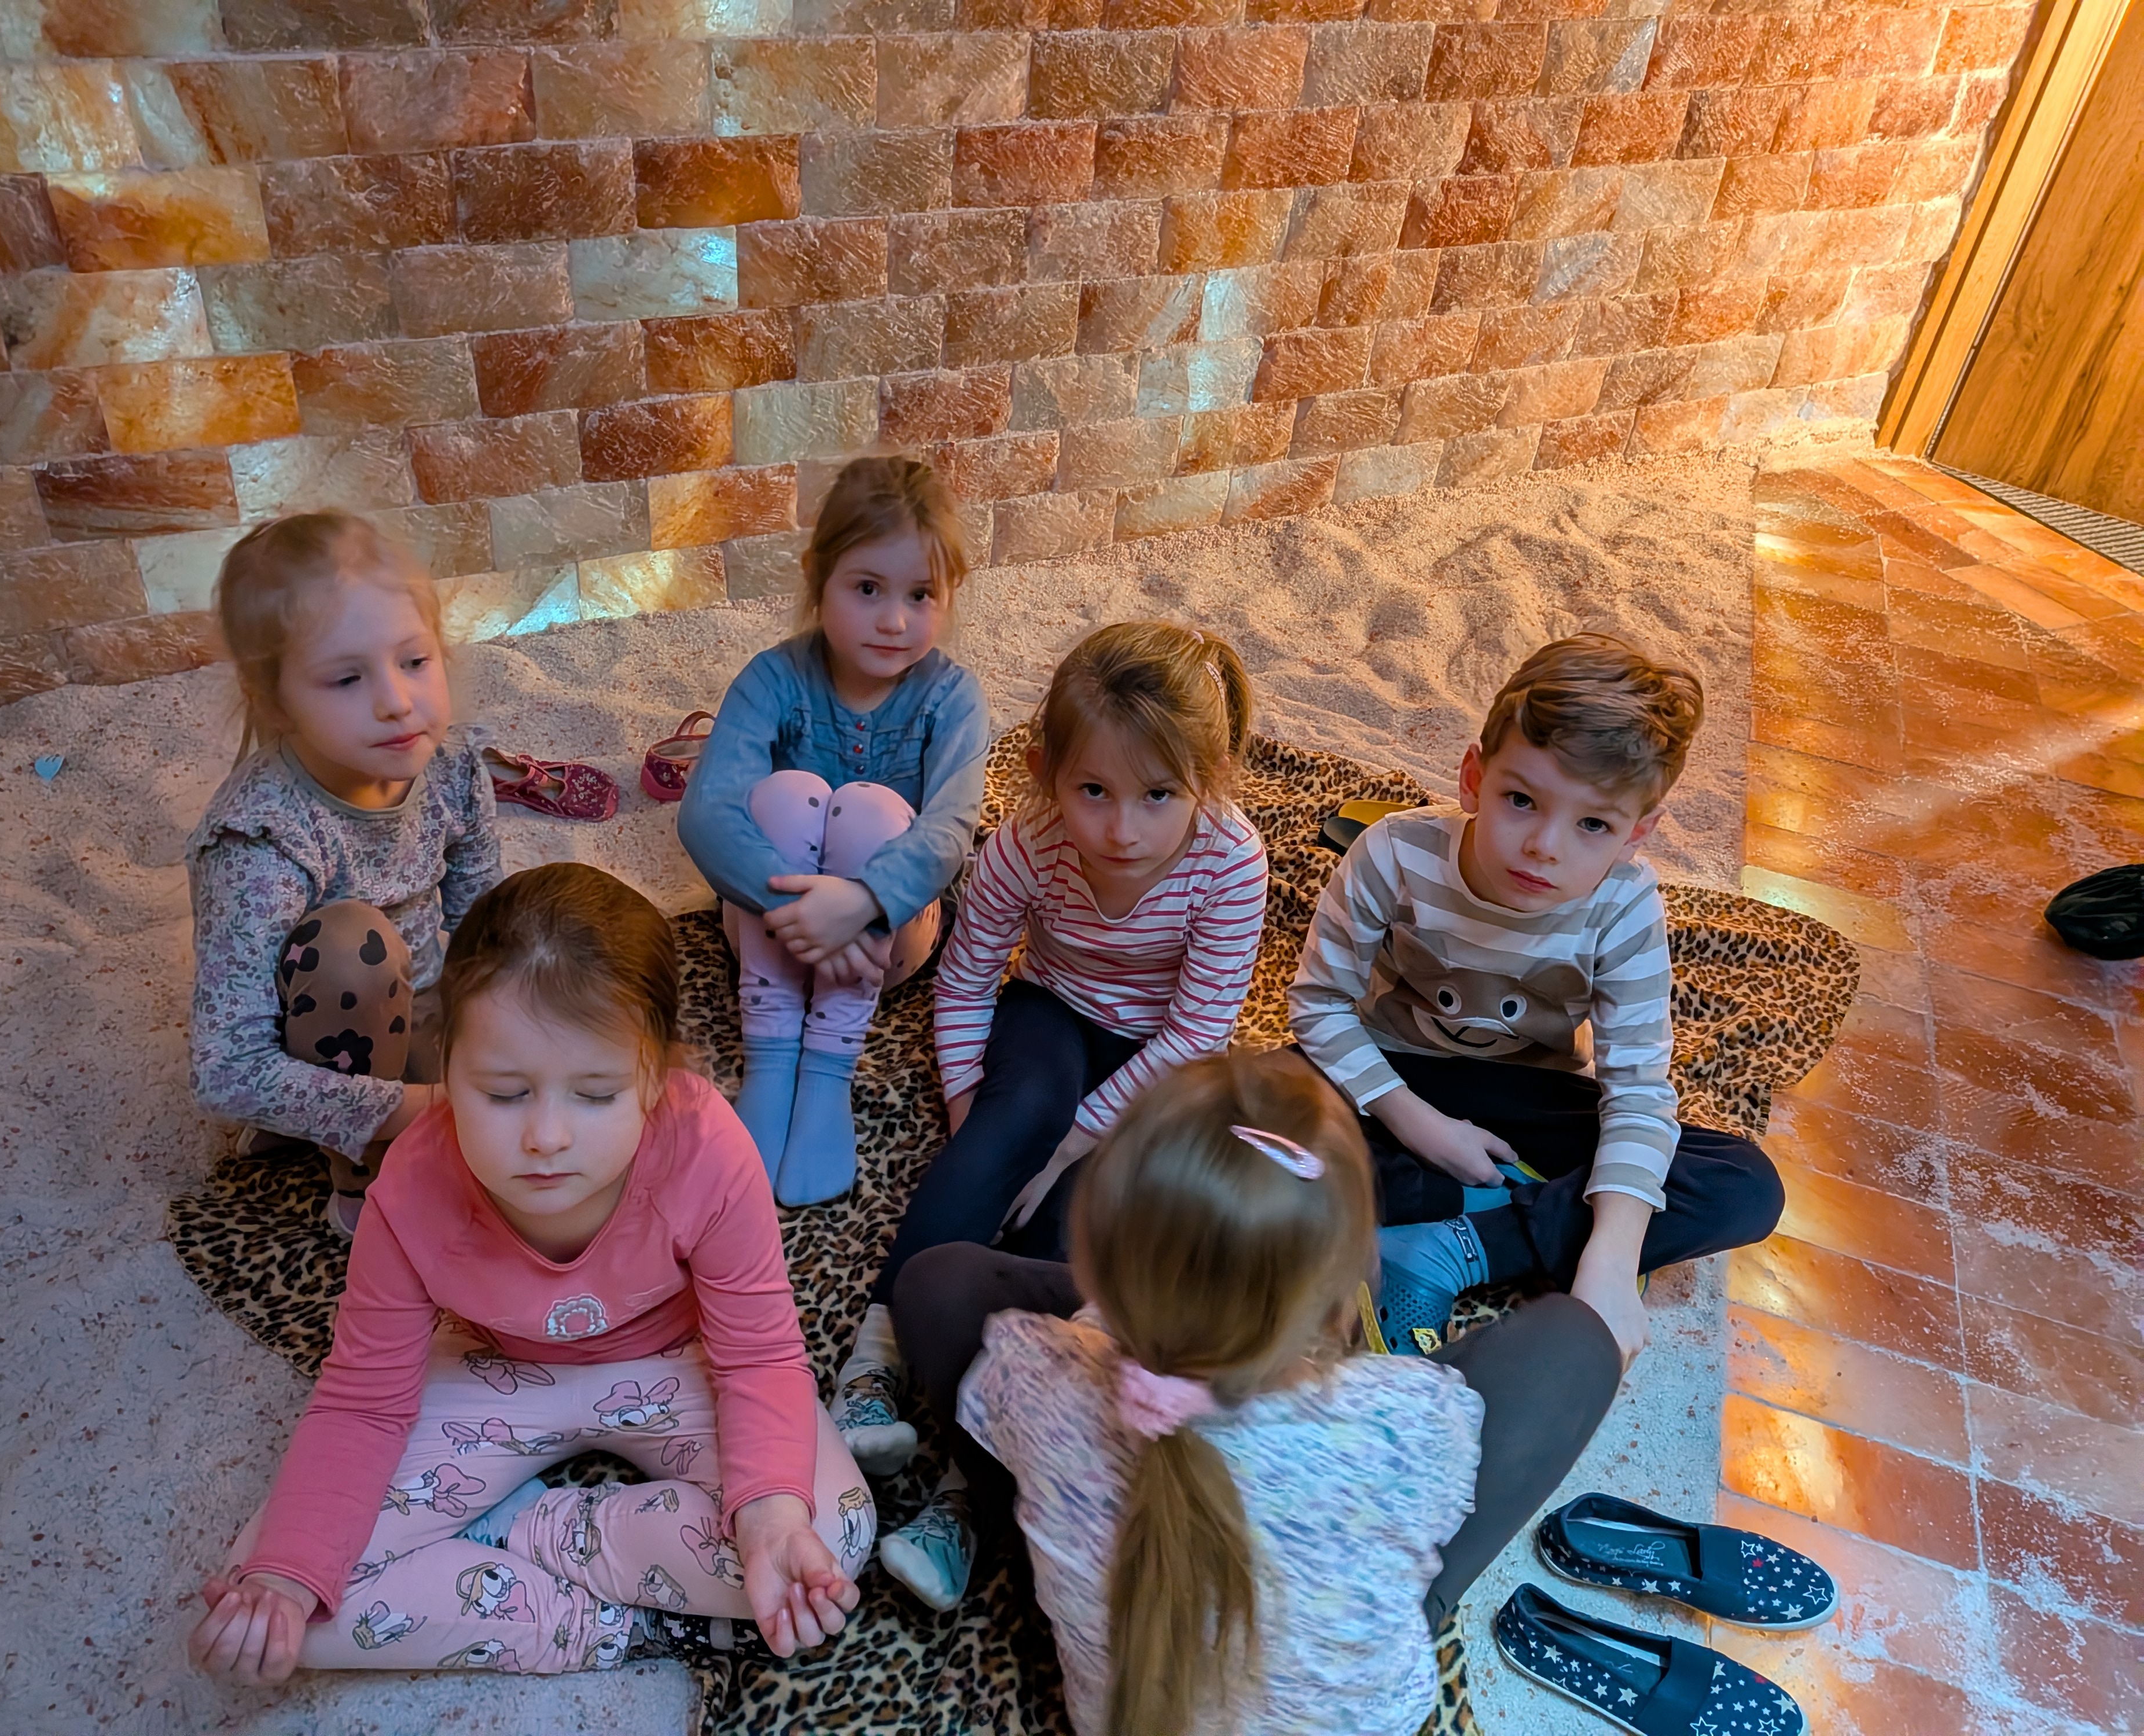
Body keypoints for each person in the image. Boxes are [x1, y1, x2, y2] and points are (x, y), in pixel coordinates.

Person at [186, 865, 874, 1684]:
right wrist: (286, 1579)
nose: (547, 1137)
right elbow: (363, 1402)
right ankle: (608, 1626)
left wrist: (767, 1521)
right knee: (283, 1607)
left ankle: (533, 1532)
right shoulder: (411, 1186)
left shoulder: (708, 1148)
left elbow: (758, 1356)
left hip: (674, 1362)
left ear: (656, 1079)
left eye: (596, 1094)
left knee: (825, 1536)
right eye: (505, 1094)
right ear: (446, 1071)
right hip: (490, 1364)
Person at [885, 1050, 1621, 1735]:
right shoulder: (1405, 1420)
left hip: (1114, 1695)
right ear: (1344, 1291)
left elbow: (1017, 1321)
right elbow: (1423, 1461)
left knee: (935, 1283)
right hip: (1325, 1710)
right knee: (1577, 1341)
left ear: (1094, 1258)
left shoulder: (1027, 1369)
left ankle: (1070, 1558)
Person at [830, 621, 1270, 1478]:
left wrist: (1074, 1144)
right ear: (1045, 773)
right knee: (1018, 1112)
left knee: (1083, 1205)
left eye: (1158, 795)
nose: (1122, 828)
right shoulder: (1025, 846)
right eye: (1093, 790)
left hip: (1169, 1055)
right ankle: (873, 1359)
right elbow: (967, 980)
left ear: (1208, 780)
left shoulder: (1231, 861)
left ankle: (987, 1461)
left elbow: (1195, 1033)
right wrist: (971, 1117)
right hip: (1054, 1010)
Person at [1290, 634, 1784, 1361]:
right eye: (1520, 800)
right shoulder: (1394, 851)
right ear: (1473, 777)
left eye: (1593, 824)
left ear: (1636, 834)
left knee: (1743, 1186)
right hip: (1393, 1072)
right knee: (1235, 1120)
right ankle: (1507, 1207)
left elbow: (1637, 1093)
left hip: (1531, 1094)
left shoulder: (1624, 904)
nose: (1545, 846)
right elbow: (1318, 1006)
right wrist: (1420, 1125)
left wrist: (1611, 1261)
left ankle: (1453, 1244)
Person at [678, 455, 990, 1209]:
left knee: (873, 810)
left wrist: (861, 903)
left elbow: (950, 831)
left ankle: (826, 1071)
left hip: (888, 944)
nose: (894, 620)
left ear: (949, 594)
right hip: (771, 935)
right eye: (868, 588)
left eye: (921, 595)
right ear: (818, 578)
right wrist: (801, 911)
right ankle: (772, 1058)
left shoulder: (953, 698)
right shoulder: (772, 677)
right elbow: (706, 812)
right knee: (790, 796)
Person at [186, 512, 501, 1240]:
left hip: (424, 1009)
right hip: (319, 1035)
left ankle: (329, 1121)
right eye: (347, 678)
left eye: (414, 662)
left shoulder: (454, 768)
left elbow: (485, 929)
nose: (396, 701)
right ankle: (361, 1179)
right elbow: (226, 1069)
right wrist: (431, 1110)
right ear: (274, 701)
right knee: (354, 945)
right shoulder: (261, 837)